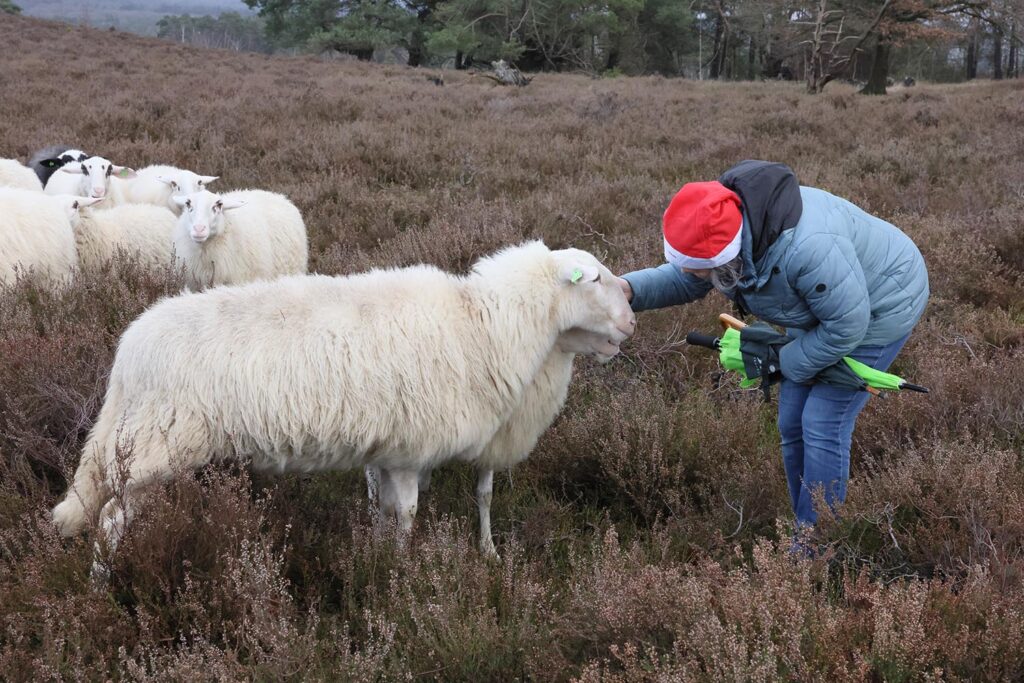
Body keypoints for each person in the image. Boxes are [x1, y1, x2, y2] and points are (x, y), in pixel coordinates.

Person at [618, 160, 928, 532]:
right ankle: (806, 520)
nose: (687, 271)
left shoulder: (808, 249)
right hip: (823, 310)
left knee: (822, 421)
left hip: (881, 306)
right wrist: (626, 291)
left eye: (694, 264)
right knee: (791, 419)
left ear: (724, 255)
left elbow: (847, 325)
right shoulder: (728, 233)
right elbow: (692, 277)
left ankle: (818, 540)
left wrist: (787, 359)